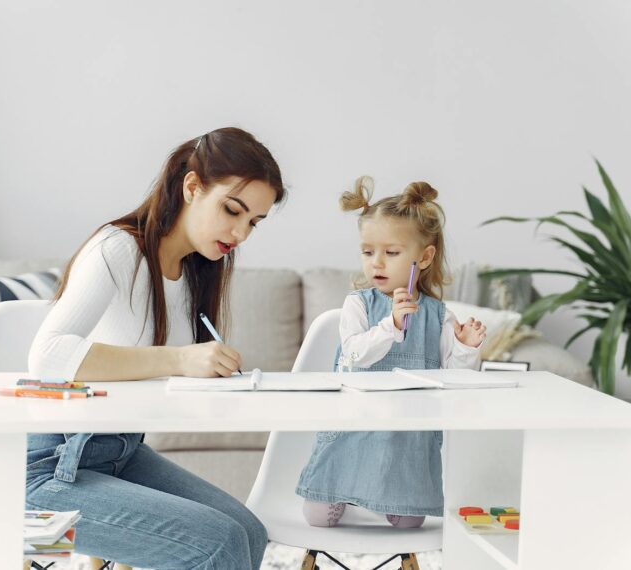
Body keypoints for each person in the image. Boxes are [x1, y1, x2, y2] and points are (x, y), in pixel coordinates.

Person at [25, 127, 285, 569]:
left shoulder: (193, 272)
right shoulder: (117, 248)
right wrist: (181, 359)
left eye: (253, 223)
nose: (241, 233)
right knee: (218, 542)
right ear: (191, 187)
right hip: (51, 471)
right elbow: (47, 356)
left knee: (248, 533)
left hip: (120, 455)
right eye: (232, 211)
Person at [295, 176, 486, 528]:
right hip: (353, 426)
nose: (376, 264)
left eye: (391, 253)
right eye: (368, 252)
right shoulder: (358, 304)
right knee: (317, 517)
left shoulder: (439, 315)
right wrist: (391, 327)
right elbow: (353, 355)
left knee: (411, 522)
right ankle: (345, 494)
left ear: (424, 257)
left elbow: (456, 380)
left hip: (406, 437)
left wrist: (466, 348)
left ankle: (383, 497)